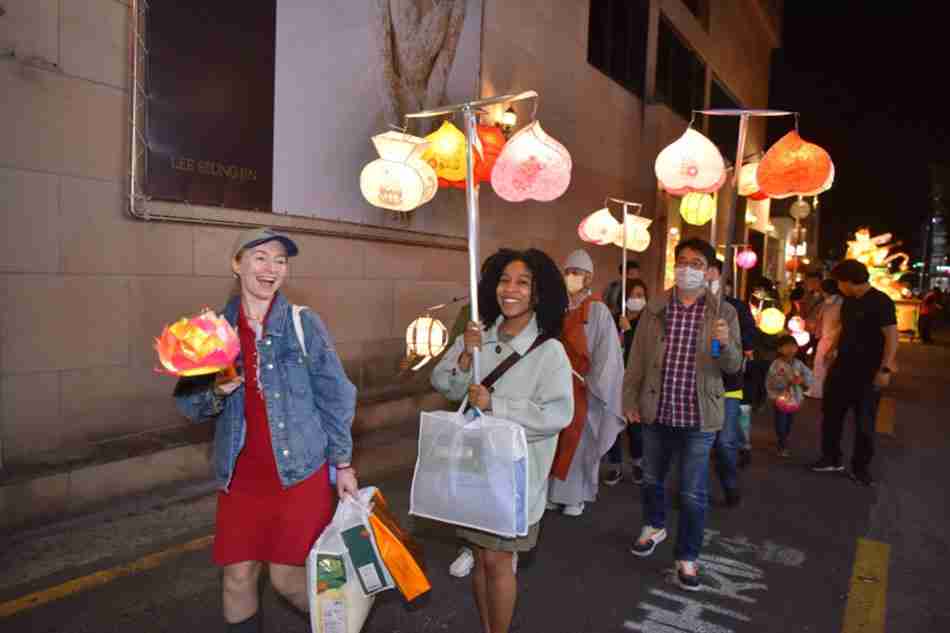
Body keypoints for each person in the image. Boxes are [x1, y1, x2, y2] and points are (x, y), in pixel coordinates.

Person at [174, 228, 357, 633]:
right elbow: (188, 405)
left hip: (299, 474)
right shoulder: (211, 332)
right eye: (260, 257)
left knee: (287, 580)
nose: (270, 268)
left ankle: (341, 623)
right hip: (241, 476)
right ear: (236, 264)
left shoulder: (303, 324)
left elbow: (337, 396)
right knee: (237, 579)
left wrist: (342, 464)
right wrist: (217, 392)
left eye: (280, 260)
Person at [431, 248, 574, 633]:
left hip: (514, 477)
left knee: (498, 561)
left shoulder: (550, 352)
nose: (510, 290)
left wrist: (498, 404)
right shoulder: (479, 336)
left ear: (538, 294)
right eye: (504, 280)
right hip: (473, 467)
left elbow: (558, 415)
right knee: (480, 557)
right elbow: (443, 383)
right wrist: (465, 354)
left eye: (522, 283)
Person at [623, 238, 742, 591]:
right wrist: (630, 397)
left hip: (699, 417)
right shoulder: (656, 308)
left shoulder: (724, 313)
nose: (687, 268)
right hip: (657, 411)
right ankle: (654, 524)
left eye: (696, 263)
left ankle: (687, 556)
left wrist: (725, 342)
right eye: (683, 261)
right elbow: (638, 360)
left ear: (708, 271)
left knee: (692, 493)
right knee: (650, 478)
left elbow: (733, 367)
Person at [811, 260, 898, 486]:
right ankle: (831, 458)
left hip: (868, 371)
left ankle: (860, 468)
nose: (837, 285)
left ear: (849, 282)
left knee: (864, 422)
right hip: (842, 366)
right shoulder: (849, 300)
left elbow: (891, 335)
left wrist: (885, 368)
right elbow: (845, 327)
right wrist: (832, 349)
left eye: (839, 281)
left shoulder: (881, 301)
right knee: (831, 413)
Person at [706, 259, 756, 506]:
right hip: (700, 386)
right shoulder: (689, 306)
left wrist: (728, 340)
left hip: (728, 387)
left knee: (725, 443)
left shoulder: (735, 308)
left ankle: (730, 485)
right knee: (697, 446)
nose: (704, 276)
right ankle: (693, 492)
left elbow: (748, 336)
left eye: (709, 271)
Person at [603, 279, 649, 486]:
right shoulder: (613, 320)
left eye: (641, 295)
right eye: (633, 295)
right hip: (613, 381)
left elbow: (644, 353)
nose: (637, 299)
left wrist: (629, 332)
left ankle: (638, 464)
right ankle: (615, 467)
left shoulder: (647, 323)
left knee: (635, 428)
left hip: (635, 382)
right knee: (613, 425)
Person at [767, 335, 815, 457]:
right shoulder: (776, 364)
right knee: (781, 420)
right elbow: (771, 380)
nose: (790, 349)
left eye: (793, 346)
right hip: (780, 398)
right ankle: (782, 442)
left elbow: (809, 375)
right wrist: (786, 381)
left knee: (789, 421)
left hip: (794, 399)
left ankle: (784, 438)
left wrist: (802, 381)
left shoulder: (799, 364)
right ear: (779, 349)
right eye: (786, 347)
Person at [807, 279, 843, 398]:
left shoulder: (837, 303)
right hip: (826, 338)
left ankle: (819, 392)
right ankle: (820, 391)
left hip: (831, 339)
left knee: (822, 366)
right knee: (821, 366)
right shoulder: (829, 302)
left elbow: (840, 325)